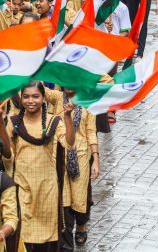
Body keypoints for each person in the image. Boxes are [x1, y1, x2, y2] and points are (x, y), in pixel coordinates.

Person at [5, 81, 76, 251]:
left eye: (35, 96)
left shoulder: (54, 121)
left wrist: (67, 117)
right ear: (21, 99)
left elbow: (69, 143)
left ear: (43, 98)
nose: (31, 101)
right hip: (22, 187)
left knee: (47, 241)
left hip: (47, 190)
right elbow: (8, 155)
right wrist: (0, 125)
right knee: (23, 237)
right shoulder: (13, 121)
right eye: (26, 97)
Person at [45, 88, 99, 249]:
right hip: (59, 155)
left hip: (81, 156)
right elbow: (39, 85)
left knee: (79, 200)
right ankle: (66, 242)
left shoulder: (88, 100)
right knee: (64, 202)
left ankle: (81, 226)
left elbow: (91, 132)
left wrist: (96, 159)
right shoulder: (56, 97)